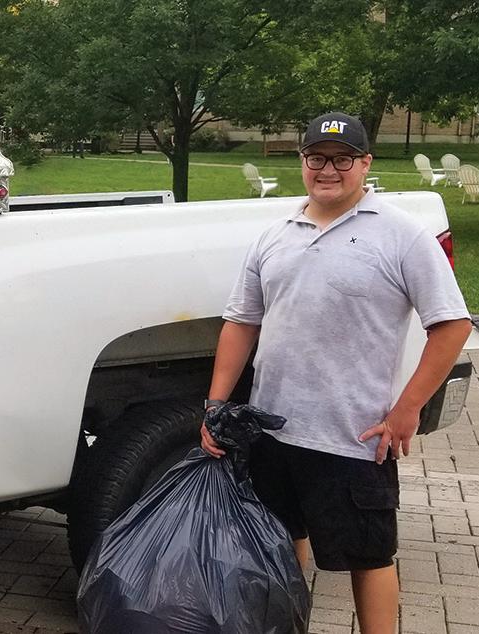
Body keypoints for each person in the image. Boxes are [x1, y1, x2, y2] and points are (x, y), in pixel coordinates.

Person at [201, 112, 472, 633]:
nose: (328, 170)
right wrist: (215, 404)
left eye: (342, 159)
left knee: (369, 557)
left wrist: (407, 410)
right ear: (303, 161)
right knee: (280, 543)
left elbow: (452, 325)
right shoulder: (276, 235)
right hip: (273, 431)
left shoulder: (401, 235)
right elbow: (241, 322)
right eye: (316, 158)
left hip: (353, 437)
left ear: (365, 163)